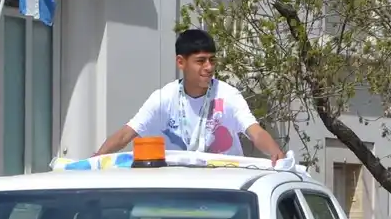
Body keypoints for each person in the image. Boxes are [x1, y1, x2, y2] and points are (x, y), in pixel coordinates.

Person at [95, 29, 286, 162]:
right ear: (181, 62)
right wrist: (96, 159)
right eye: (200, 61)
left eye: (212, 60)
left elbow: (255, 132)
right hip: (182, 193)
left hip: (225, 193)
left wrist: (275, 153)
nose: (209, 67)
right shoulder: (163, 98)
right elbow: (125, 134)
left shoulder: (228, 95)